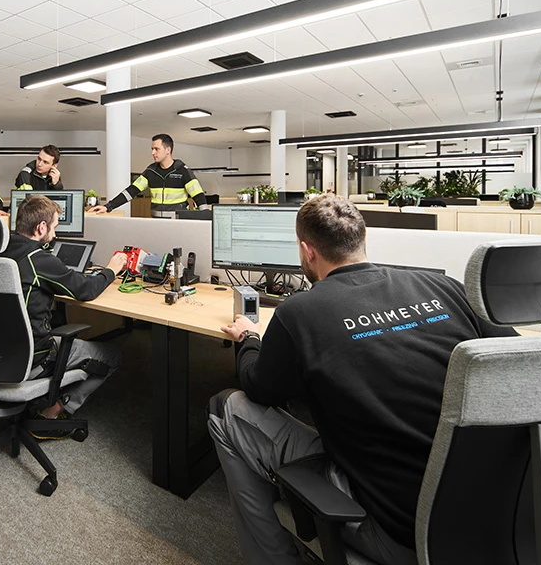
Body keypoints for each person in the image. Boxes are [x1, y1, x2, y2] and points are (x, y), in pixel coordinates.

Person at [209, 194, 520, 564]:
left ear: (308, 251)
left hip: (400, 530)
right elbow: (516, 360)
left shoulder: (299, 312)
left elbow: (260, 388)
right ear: (362, 238)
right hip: (502, 505)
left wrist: (250, 338)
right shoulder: (445, 287)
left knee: (225, 408)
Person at [0, 194, 127, 438]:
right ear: (41, 227)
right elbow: (86, 290)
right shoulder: (39, 260)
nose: (56, 235)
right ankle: (53, 412)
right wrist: (111, 269)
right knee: (112, 355)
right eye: (55, 228)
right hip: (31, 358)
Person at [87, 134, 209, 218]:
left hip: (178, 223)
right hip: (155, 223)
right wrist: (108, 207)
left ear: (168, 150)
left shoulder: (183, 171)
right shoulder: (151, 171)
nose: (153, 153)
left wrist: (206, 218)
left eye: (156, 149)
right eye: (152, 149)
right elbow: (131, 191)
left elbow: (199, 196)